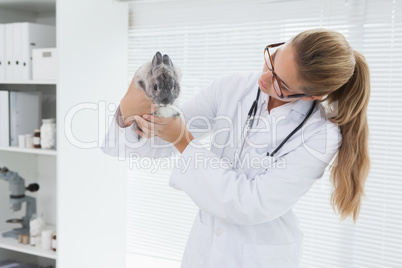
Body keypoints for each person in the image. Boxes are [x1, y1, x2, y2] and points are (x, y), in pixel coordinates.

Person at [101, 28, 370, 268]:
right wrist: (131, 110)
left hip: (261, 255)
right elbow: (157, 145)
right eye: (272, 60)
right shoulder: (232, 88)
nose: (264, 79)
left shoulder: (320, 135)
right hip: (203, 250)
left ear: (311, 96)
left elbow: (250, 204)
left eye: (281, 84)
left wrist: (183, 141)